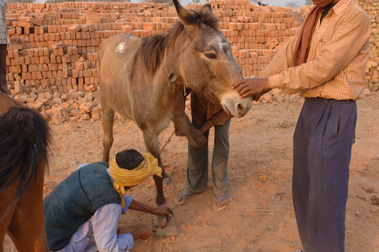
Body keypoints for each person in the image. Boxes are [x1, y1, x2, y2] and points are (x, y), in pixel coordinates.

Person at [232, 0, 371, 251]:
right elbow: (289, 52)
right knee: (304, 190)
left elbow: (323, 67)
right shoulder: (316, 14)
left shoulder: (353, 17)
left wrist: (269, 83)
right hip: (311, 109)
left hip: (335, 111)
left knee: (326, 197)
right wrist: (259, 82)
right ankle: (311, 247)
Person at [44, 149, 173, 252]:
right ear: (133, 182)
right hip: (56, 245)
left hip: (40, 227)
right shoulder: (110, 205)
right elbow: (107, 248)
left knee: (104, 215)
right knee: (109, 230)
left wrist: (153, 210)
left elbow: (117, 198)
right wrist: (137, 234)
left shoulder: (98, 167)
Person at [175, 91, 232, 212]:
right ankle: (195, 185)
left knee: (221, 144)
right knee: (195, 143)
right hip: (199, 108)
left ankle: (220, 189)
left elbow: (233, 107)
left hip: (225, 108)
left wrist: (206, 126)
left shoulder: (230, 77)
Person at [0, 0, 9, 95]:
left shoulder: (3, 2)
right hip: (2, 38)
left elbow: (4, 20)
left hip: (2, 38)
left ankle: (4, 91)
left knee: (2, 65)